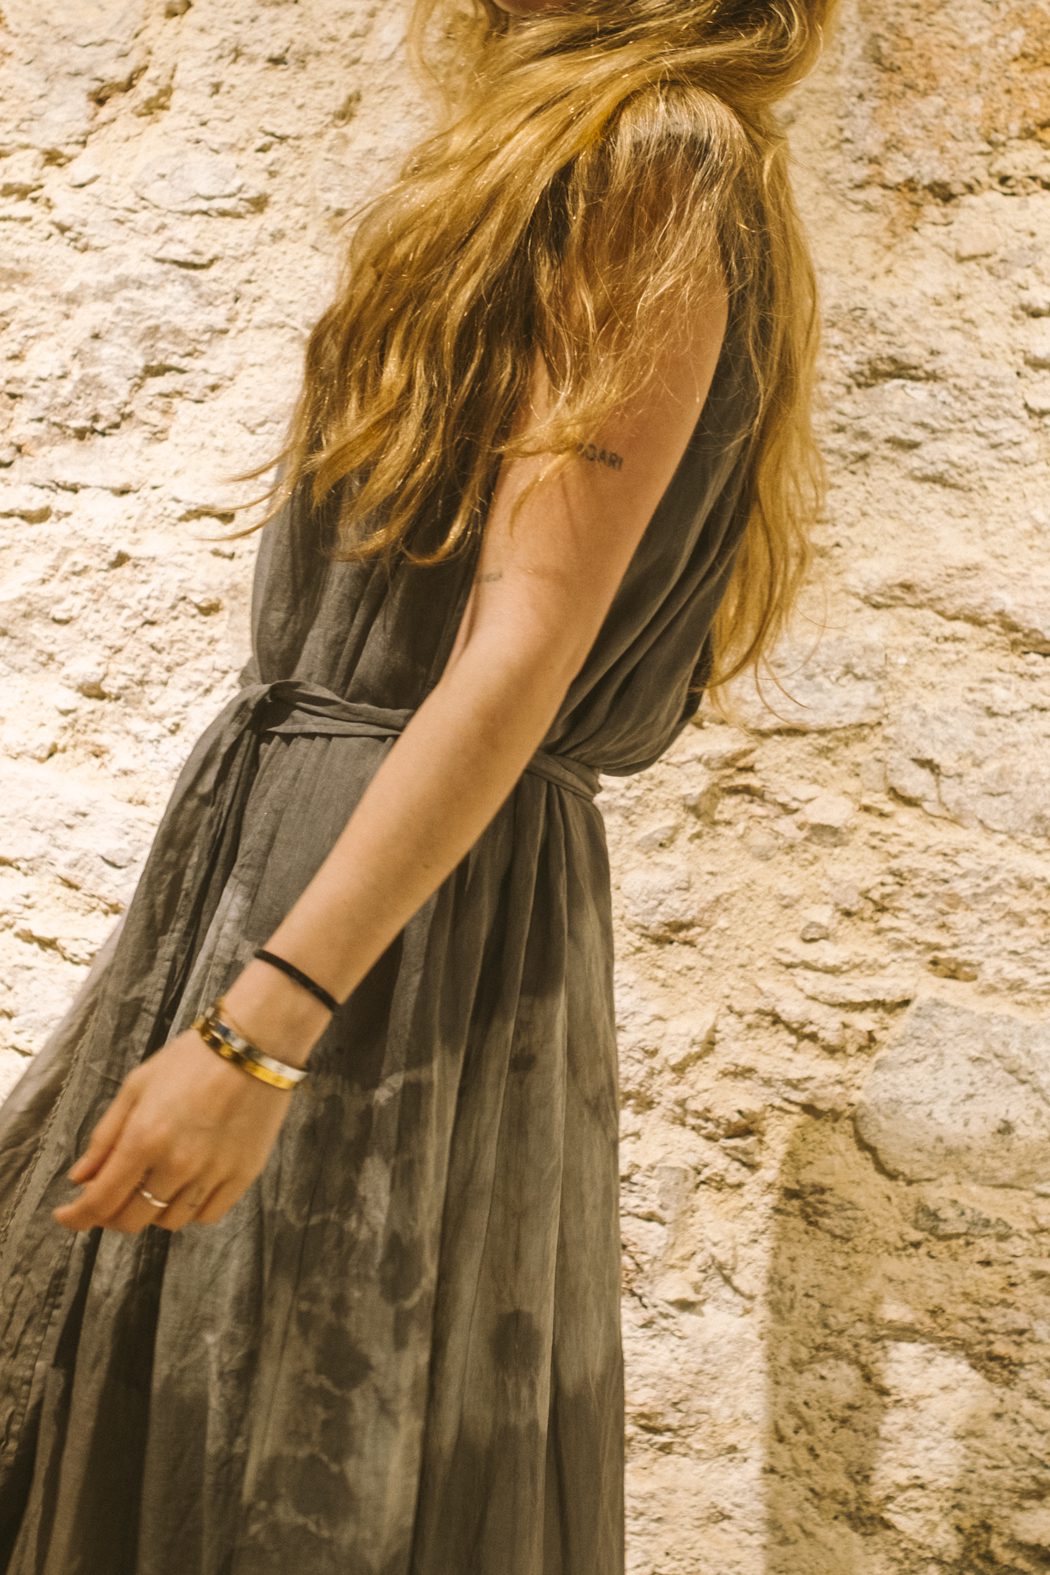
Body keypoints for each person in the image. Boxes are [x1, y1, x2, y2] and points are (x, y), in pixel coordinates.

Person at [0, 0, 836, 1568]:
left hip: (388, 922)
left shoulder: (660, 152)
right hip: (325, 869)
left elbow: (521, 650)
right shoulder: (600, 146)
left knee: (279, 1459)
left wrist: (255, 1038)